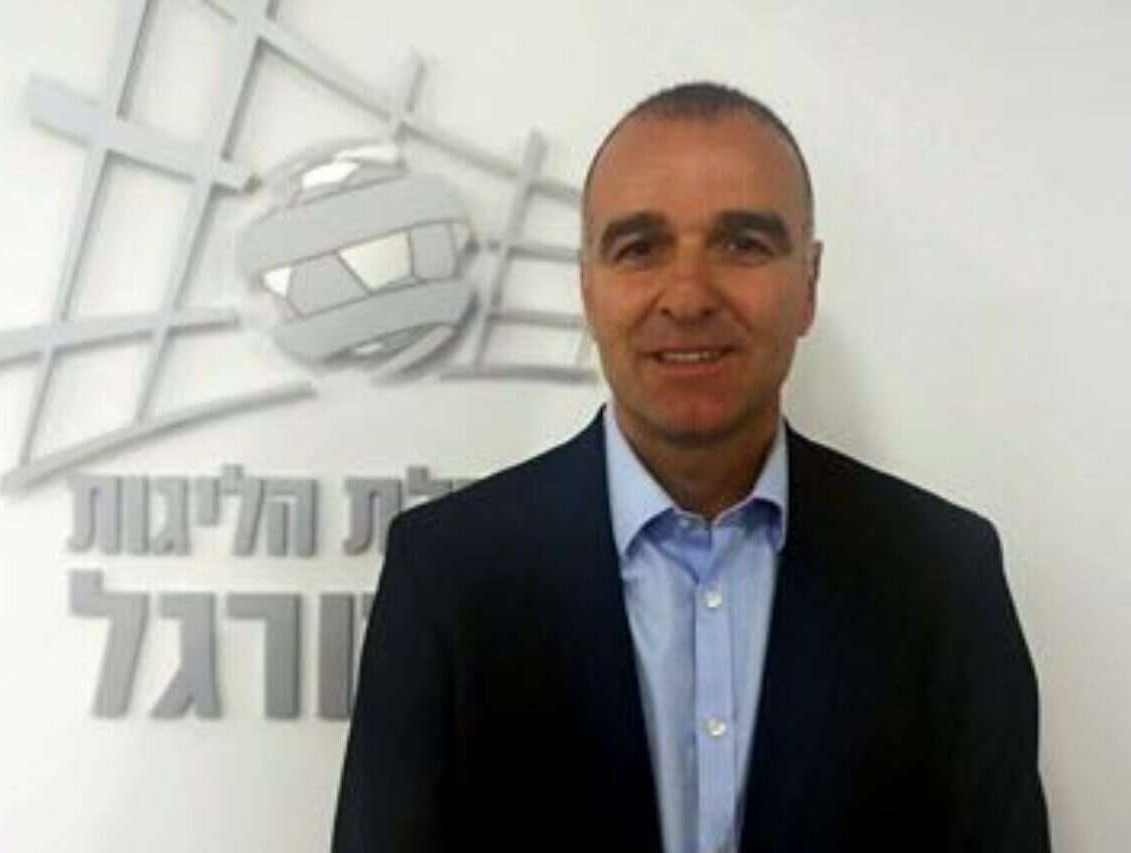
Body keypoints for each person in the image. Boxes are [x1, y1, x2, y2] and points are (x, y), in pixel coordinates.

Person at [331, 82, 1049, 853]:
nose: (689, 296)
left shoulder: (942, 574)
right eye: (640, 248)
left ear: (808, 284)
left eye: (743, 244)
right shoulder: (448, 576)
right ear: (587, 287)